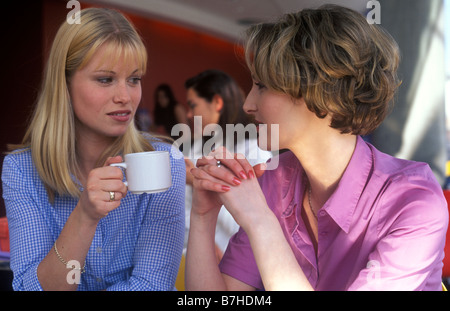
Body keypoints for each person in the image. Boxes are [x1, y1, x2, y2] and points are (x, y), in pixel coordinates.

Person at [186, 5, 448, 291]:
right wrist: (203, 215)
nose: (248, 105)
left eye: (262, 86)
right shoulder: (274, 183)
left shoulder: (412, 202)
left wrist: (260, 221)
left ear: (320, 94)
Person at [1, 8, 185, 291]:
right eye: (105, 79)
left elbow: (153, 285)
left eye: (134, 79)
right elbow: (30, 288)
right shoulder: (22, 170)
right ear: (64, 84)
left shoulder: (166, 162)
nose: (125, 97)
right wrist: (84, 217)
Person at [183, 69, 272, 257]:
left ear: (217, 102)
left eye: (193, 105)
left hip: (232, 259)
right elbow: (185, 209)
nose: (189, 114)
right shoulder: (197, 146)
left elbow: (253, 221)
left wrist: (195, 180)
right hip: (191, 251)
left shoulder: (254, 149)